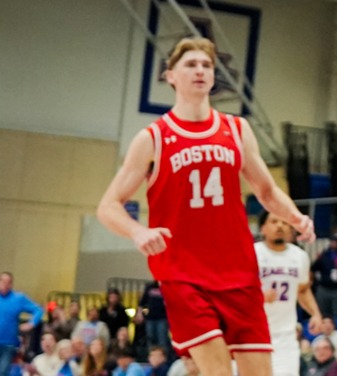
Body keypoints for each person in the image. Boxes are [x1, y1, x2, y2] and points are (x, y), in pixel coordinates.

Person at [96, 38, 314, 376]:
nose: (200, 71)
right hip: (184, 275)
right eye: (191, 65)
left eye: (207, 66)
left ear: (214, 77)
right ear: (170, 76)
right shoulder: (153, 138)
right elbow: (108, 206)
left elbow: (267, 190)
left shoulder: (236, 129)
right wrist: (138, 231)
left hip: (239, 273)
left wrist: (296, 216)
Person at [255, 213, 319, 376]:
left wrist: (316, 314)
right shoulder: (252, 254)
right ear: (263, 228)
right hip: (254, 333)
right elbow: (236, 291)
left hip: (286, 337)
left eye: (284, 222)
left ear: (291, 230)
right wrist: (259, 296)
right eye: (274, 222)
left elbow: (303, 290)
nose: (279, 226)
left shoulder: (300, 256)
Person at [0, 274, 41, 372]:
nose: (5, 284)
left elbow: (38, 310)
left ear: (11, 284)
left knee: (2, 371)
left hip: (9, 344)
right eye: (3, 281)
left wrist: (31, 324)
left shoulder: (18, 298)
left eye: (8, 282)